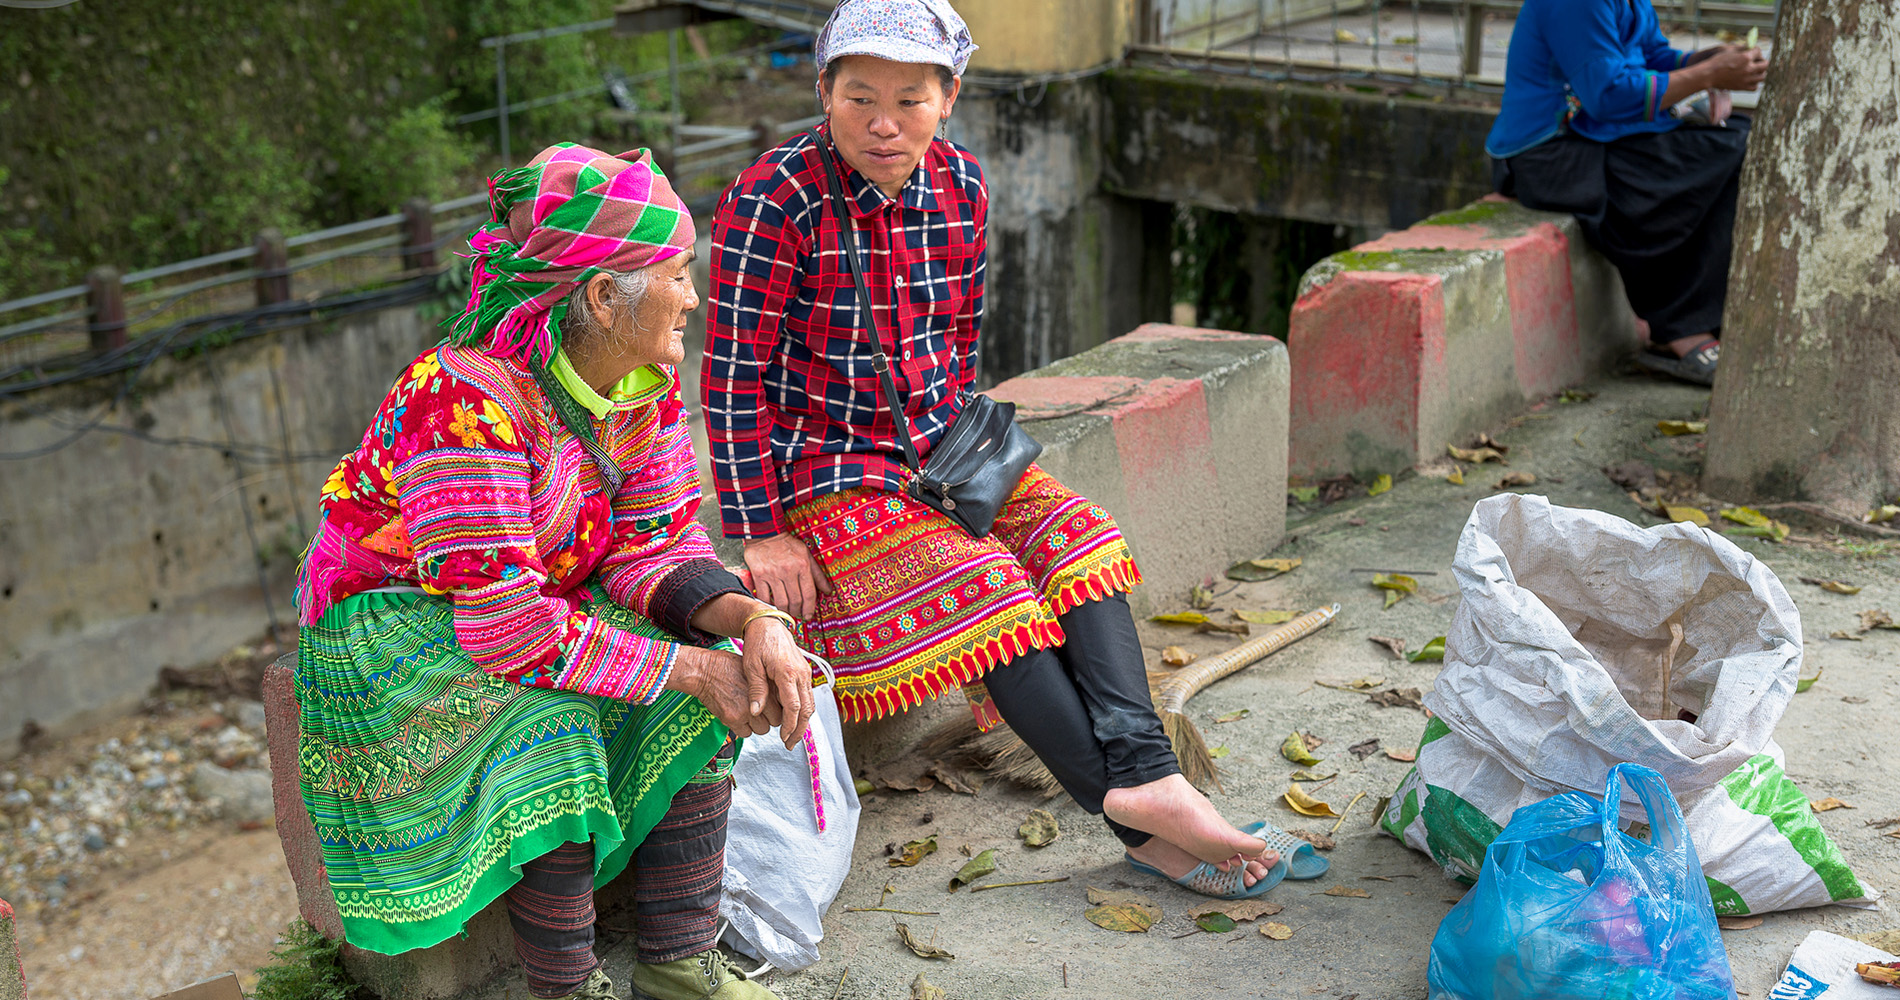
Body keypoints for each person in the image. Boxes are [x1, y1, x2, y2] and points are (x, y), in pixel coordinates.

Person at [702, 0, 1288, 900]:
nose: (883, 122)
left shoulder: (964, 187)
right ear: (824, 92)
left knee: (1082, 535)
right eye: (858, 97)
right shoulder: (776, 196)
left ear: (951, 98)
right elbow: (733, 373)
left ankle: (1150, 776)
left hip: (947, 452)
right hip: (830, 474)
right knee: (989, 588)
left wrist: (970, 466)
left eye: (910, 98)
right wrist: (761, 530)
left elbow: (961, 344)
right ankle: (1131, 811)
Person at [293, 143, 810, 1000]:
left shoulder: (642, 388)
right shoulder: (465, 401)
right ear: (606, 298)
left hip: (532, 606)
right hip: (392, 623)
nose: (692, 295)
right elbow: (506, 629)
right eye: (677, 275)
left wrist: (757, 626)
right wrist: (692, 668)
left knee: (712, 688)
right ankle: (566, 989)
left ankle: (680, 965)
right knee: (562, 722)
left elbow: (662, 548)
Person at [1485, 0, 1768, 386]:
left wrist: (1707, 59)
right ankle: (1682, 329)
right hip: (1552, 156)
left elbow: (1652, 54)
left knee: (1740, 141)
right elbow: (1608, 93)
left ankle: (1700, 319)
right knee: (1714, 159)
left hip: (1602, 135)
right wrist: (1709, 74)